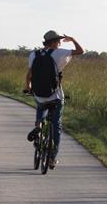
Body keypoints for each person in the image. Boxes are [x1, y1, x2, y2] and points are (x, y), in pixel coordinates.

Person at [25, 30, 84, 169]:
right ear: (54, 42)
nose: (59, 43)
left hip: (39, 94)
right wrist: (73, 39)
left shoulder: (34, 54)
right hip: (56, 96)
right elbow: (81, 51)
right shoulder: (59, 53)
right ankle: (52, 159)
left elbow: (29, 74)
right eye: (58, 41)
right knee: (56, 126)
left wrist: (28, 88)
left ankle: (38, 126)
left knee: (40, 106)